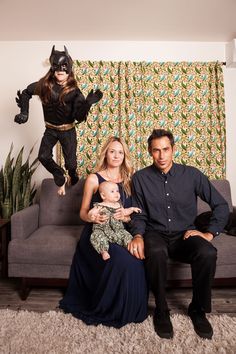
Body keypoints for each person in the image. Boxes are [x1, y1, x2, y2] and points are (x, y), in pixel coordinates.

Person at [128, 128, 229, 340]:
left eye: (166, 149)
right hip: (155, 233)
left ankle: (198, 310)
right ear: (149, 152)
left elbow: (220, 205)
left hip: (185, 235)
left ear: (173, 149)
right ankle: (162, 310)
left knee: (208, 253)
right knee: (154, 250)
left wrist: (209, 234)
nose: (161, 155)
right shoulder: (139, 178)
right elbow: (138, 215)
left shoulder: (192, 175)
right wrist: (138, 235)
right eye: (156, 150)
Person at [59, 136, 148, 328]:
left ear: (125, 156)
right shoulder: (94, 178)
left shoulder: (130, 179)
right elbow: (83, 212)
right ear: (105, 154)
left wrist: (125, 217)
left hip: (120, 231)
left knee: (136, 258)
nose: (116, 155)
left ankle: (132, 308)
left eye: (120, 152)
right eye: (112, 151)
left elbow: (133, 215)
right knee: (122, 260)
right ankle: (110, 308)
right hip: (97, 232)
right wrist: (91, 217)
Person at [14, 45, 103, 195]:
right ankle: (58, 173)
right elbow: (26, 92)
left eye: (64, 67)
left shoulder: (75, 92)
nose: (60, 70)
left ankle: (72, 173)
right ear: (52, 68)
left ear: (69, 68)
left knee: (71, 163)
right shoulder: (44, 86)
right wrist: (24, 113)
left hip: (67, 131)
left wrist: (87, 103)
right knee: (43, 156)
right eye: (57, 67)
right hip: (50, 129)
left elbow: (78, 117)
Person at [88, 180, 141, 260]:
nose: (117, 193)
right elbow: (91, 212)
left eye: (117, 191)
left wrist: (132, 209)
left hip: (118, 230)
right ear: (103, 196)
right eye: (112, 191)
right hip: (102, 230)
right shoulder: (100, 206)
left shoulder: (118, 205)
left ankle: (131, 247)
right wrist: (92, 216)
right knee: (97, 237)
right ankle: (104, 251)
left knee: (127, 236)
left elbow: (125, 212)